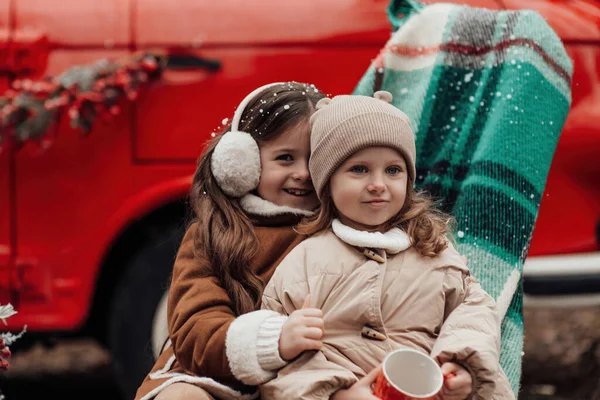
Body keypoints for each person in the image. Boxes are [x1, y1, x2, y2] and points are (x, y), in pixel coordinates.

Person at [259, 92, 515, 400]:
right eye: (359, 169)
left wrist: (461, 364)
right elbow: (285, 356)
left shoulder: (432, 248)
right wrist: (337, 394)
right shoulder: (302, 262)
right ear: (327, 182)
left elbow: (474, 311)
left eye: (393, 170)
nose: (378, 183)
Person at [136, 82, 377, 400]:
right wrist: (273, 340)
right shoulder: (213, 235)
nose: (304, 173)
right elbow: (195, 330)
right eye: (285, 158)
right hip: (218, 378)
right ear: (241, 162)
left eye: (315, 158)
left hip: (317, 379)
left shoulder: (350, 233)